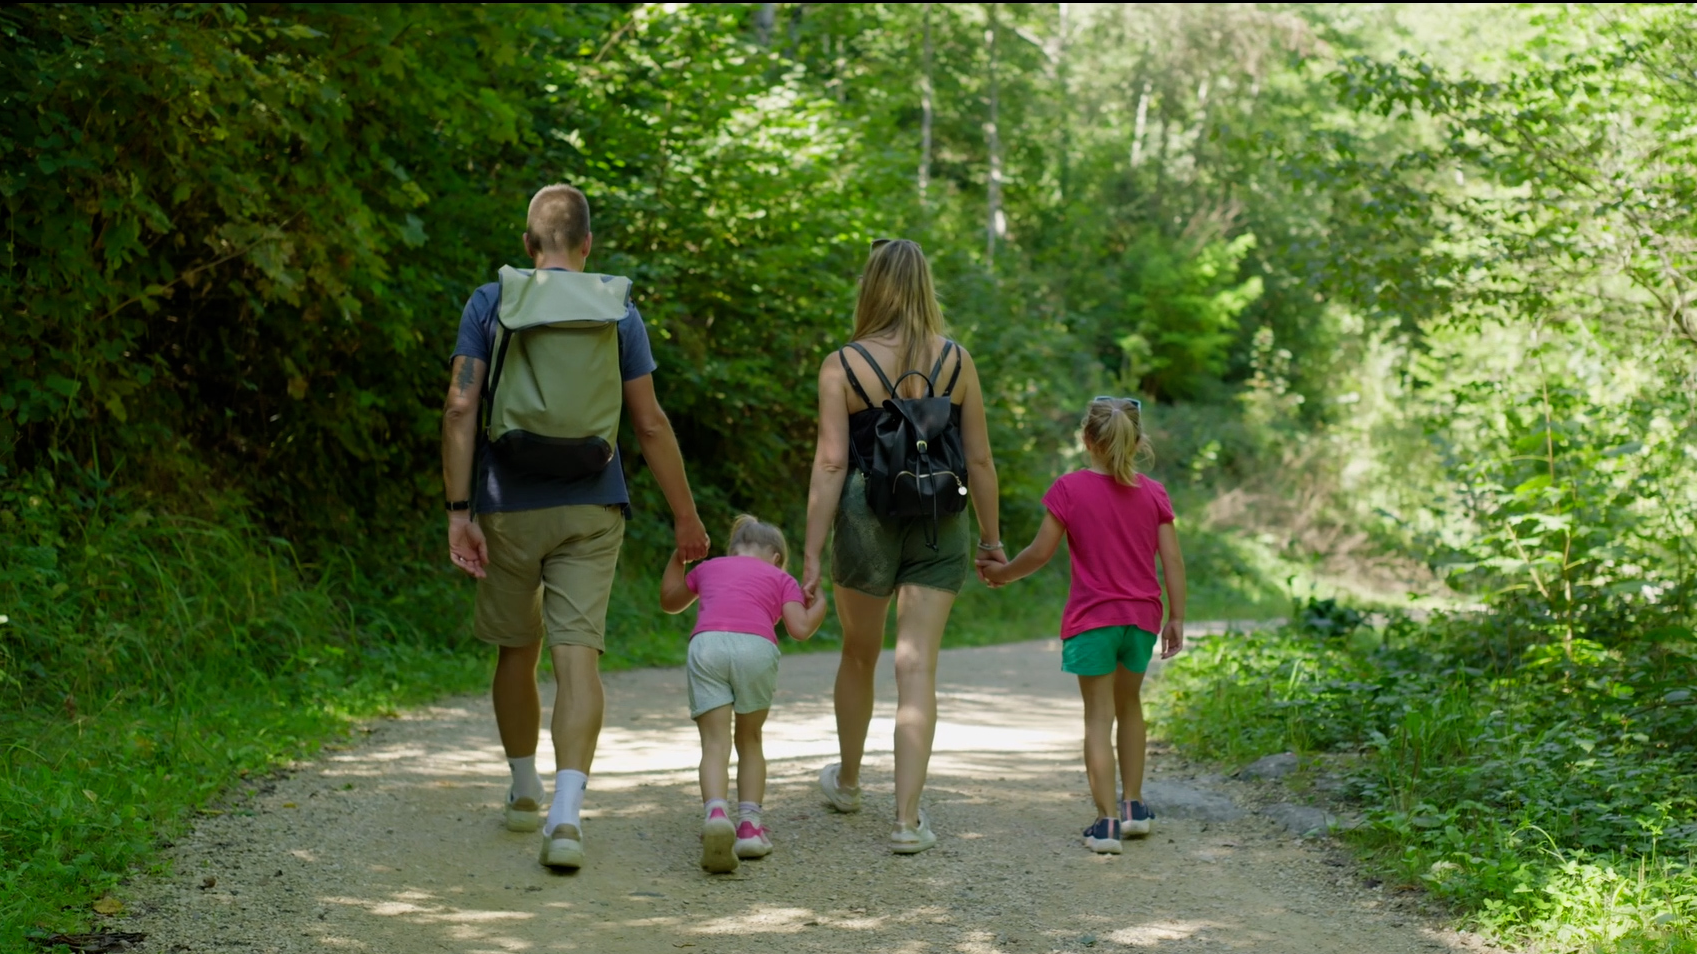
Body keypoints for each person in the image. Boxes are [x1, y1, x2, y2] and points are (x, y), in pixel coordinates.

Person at [441, 183, 710, 871]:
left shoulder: (490, 301)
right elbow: (648, 423)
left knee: (514, 647)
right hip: (593, 505)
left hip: (505, 502)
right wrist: (686, 518)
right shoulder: (615, 306)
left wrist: (458, 511)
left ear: (528, 246)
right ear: (587, 246)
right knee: (576, 656)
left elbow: (460, 406)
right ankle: (565, 815)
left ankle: (524, 787)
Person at [800, 238, 1005, 854]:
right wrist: (992, 540)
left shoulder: (842, 364)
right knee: (917, 665)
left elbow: (832, 463)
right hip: (942, 514)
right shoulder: (957, 361)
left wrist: (810, 552)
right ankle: (908, 820)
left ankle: (850, 781)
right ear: (925, 285)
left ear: (872, 286)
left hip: (868, 513)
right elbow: (979, 459)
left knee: (859, 653)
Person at [977, 397, 1187, 854]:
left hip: (1093, 619)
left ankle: (1106, 823)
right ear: (1137, 441)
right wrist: (1176, 617)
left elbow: (1038, 553)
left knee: (1098, 718)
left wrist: (1000, 573)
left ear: (1086, 439)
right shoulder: (1153, 493)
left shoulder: (1069, 489)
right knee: (1129, 705)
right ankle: (1133, 807)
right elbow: (1172, 560)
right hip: (1142, 618)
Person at [660, 515, 827, 873]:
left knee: (714, 743)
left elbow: (670, 602)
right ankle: (749, 827)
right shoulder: (782, 578)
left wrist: (678, 558)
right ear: (776, 557)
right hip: (756, 647)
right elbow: (799, 629)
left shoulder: (709, 568)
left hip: (707, 644)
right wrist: (820, 605)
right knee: (749, 740)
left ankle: (716, 813)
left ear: (733, 550)